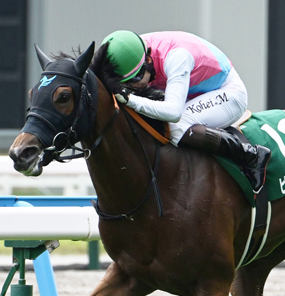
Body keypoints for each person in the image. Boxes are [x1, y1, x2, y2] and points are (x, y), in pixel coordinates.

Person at [101, 30, 270, 192]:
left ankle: (251, 155)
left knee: (175, 126)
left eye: (136, 78)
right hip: (195, 91)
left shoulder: (176, 57)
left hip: (228, 92)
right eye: (127, 83)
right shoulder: (132, 50)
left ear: (149, 61)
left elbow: (174, 113)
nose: (135, 86)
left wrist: (131, 99)